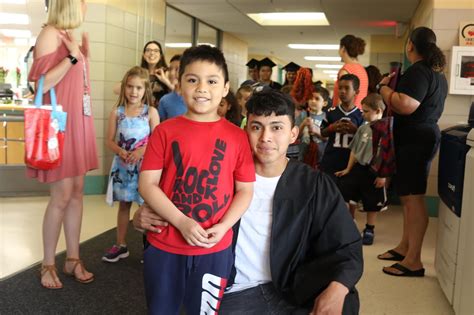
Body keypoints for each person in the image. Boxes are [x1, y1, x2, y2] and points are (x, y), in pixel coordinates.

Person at [134, 89, 363, 314]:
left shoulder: (313, 185)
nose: (266, 138)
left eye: (277, 128)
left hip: (294, 289)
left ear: (293, 134)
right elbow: (178, 210)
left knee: (346, 301)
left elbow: (347, 245)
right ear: (244, 131)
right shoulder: (218, 177)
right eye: (256, 127)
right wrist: (141, 217)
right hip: (236, 291)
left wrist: (337, 289)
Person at [138, 45, 255, 314]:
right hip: (165, 244)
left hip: (214, 248)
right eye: (193, 80)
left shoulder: (237, 137)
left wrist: (225, 226)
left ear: (225, 88)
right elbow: (147, 184)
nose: (202, 88)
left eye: (212, 81)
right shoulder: (165, 132)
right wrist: (180, 221)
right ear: (179, 85)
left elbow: (245, 190)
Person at [29, 0, 98, 289]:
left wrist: (80, 56)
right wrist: (71, 57)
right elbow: (41, 85)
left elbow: (78, 86)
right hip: (60, 127)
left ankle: (73, 258)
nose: (85, 4)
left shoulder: (71, 35)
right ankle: (47, 264)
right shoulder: (49, 34)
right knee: (60, 196)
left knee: (77, 193)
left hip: (79, 124)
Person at [376, 27, 447, 277]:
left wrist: (383, 89)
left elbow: (405, 105)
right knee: (408, 197)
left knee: (413, 198)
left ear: (410, 46)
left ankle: (413, 260)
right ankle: (405, 248)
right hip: (418, 138)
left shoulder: (419, 70)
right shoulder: (437, 73)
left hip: (416, 140)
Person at [102, 66, 159, 262]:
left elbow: (157, 140)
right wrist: (121, 151)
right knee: (124, 206)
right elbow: (109, 140)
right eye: (130, 87)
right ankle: (121, 244)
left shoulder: (150, 112)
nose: (133, 92)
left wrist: (141, 151)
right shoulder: (117, 113)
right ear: (124, 87)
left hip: (145, 168)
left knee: (147, 206)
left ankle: (149, 247)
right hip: (124, 167)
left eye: (138, 88)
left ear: (145, 91)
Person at [335, 94, 388, 245]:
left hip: (375, 172)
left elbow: (387, 155)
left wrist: (383, 175)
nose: (362, 114)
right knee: (347, 194)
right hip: (359, 169)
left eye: (365, 111)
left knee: (372, 202)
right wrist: (348, 168)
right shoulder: (363, 128)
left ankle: (369, 229)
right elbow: (354, 150)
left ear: (377, 111)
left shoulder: (385, 130)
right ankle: (348, 226)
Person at [320, 74, 364, 187]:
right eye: (340, 88)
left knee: (346, 197)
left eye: (347, 88)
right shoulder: (331, 112)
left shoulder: (361, 115)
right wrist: (331, 128)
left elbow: (366, 139)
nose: (342, 91)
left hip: (350, 162)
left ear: (356, 92)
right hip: (330, 160)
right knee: (328, 192)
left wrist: (356, 131)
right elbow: (322, 132)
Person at [332, 35, 369, 109]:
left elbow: (341, 98)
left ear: (343, 48)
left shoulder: (345, 70)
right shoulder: (363, 70)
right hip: (359, 115)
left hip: (345, 116)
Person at [299, 85, 329, 167]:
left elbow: (328, 138)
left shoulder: (326, 117)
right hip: (303, 155)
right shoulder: (303, 115)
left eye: (317, 99)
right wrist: (303, 124)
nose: (313, 101)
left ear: (325, 103)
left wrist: (316, 132)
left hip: (320, 157)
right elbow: (296, 135)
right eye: (310, 98)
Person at [157, 54, 187, 121]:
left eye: (177, 69)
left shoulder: (195, 99)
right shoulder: (164, 100)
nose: (172, 73)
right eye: (170, 69)